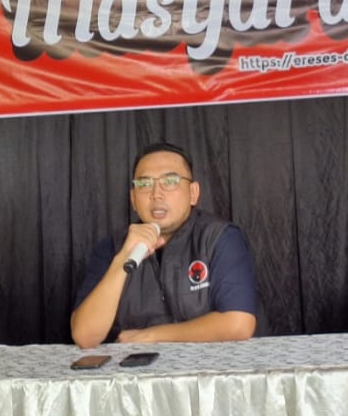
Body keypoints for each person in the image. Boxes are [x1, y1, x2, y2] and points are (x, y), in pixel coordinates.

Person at [71, 142, 258, 348]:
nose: (156, 194)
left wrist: (152, 336)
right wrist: (122, 258)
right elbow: (84, 336)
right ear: (133, 198)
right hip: (136, 367)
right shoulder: (112, 247)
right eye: (144, 184)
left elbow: (238, 324)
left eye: (170, 181)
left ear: (193, 193)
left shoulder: (219, 238)